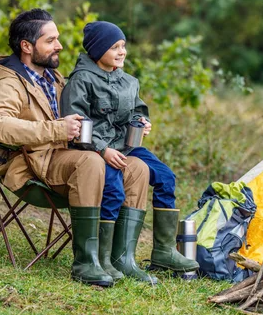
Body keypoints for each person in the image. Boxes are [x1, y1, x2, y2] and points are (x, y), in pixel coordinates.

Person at [0, 9, 150, 287]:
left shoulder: (55, 78)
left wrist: (134, 121)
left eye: (57, 39)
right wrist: (57, 129)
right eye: (50, 41)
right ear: (27, 46)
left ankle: (119, 258)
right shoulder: (10, 81)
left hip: (64, 158)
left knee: (137, 168)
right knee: (91, 162)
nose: (59, 45)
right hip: (31, 165)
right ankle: (86, 262)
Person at [60, 21, 199, 280]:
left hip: (126, 145)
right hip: (95, 150)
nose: (122, 51)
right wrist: (102, 151)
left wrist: (142, 123)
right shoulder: (81, 80)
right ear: (97, 49)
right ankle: (104, 260)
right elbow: (76, 124)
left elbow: (136, 110)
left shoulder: (129, 82)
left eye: (123, 46)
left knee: (166, 177)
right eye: (114, 47)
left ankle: (163, 251)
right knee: (114, 191)